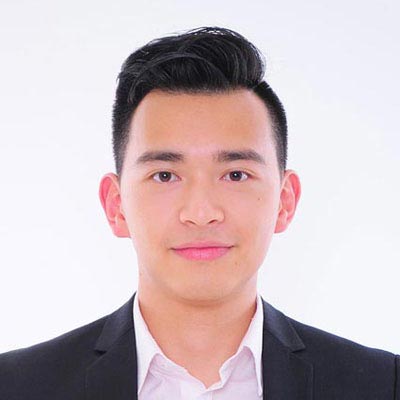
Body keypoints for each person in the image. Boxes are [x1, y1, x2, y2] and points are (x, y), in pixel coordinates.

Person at [0, 26, 398, 400]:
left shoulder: (382, 385)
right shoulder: (17, 385)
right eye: (165, 175)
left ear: (285, 201)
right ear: (116, 205)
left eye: (236, 174)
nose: (201, 213)